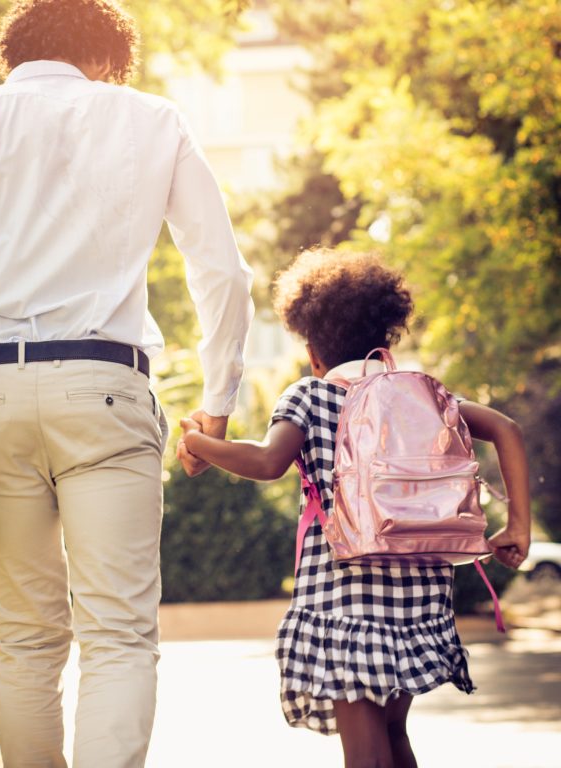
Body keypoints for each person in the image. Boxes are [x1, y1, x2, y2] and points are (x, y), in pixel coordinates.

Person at [0, 1, 254, 765]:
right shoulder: (154, 119)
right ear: (108, 59)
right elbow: (221, 270)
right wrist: (216, 401)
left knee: (24, 636)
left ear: (13, 51)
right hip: (106, 388)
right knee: (118, 632)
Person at [178, 249, 530, 768]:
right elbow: (507, 428)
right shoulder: (427, 397)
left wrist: (198, 443)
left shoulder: (312, 396)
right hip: (419, 594)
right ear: (385, 336)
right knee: (394, 733)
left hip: (348, 597)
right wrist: (517, 524)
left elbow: (268, 460)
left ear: (314, 350)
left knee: (364, 747)